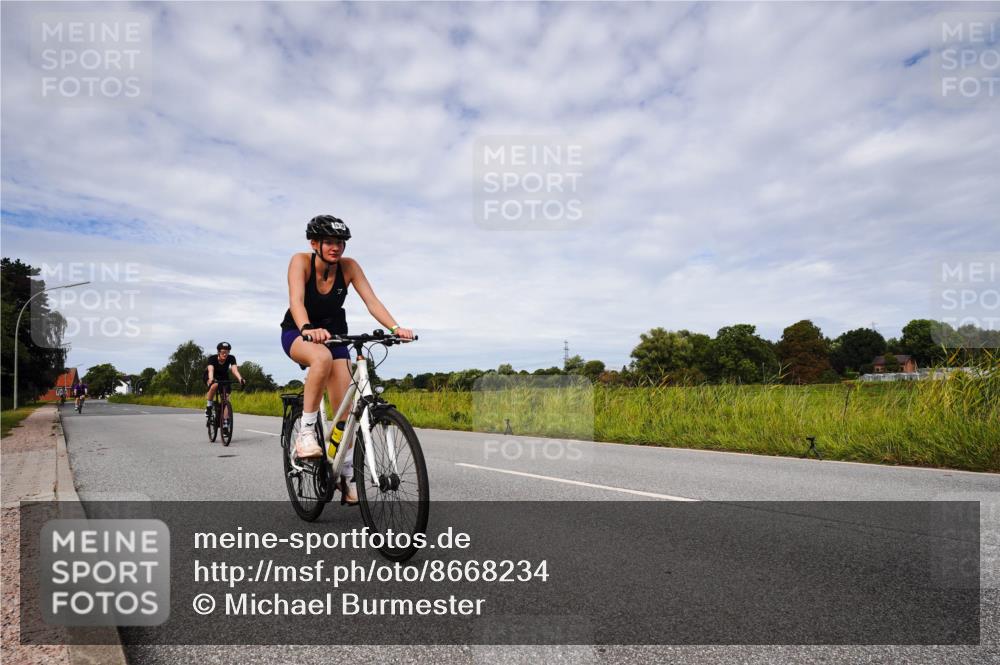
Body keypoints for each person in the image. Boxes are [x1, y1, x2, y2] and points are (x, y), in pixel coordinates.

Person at [280, 215, 414, 504]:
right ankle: (306, 433)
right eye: (329, 241)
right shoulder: (300, 261)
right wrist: (306, 329)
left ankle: (347, 476)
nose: (335, 247)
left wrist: (394, 328)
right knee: (321, 359)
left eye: (340, 242)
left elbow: (372, 300)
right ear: (314, 243)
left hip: (336, 336)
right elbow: (296, 301)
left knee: (347, 412)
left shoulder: (349, 267)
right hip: (299, 333)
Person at [205, 342, 245, 417]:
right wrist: (211, 378)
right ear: (218, 352)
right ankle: (209, 406)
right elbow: (211, 370)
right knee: (214, 385)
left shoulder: (231, 358)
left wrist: (240, 378)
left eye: (227, 352)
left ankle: (225, 421)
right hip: (211, 376)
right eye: (223, 352)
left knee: (226, 398)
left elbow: (234, 370)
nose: (225, 354)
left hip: (223, 377)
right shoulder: (212, 358)